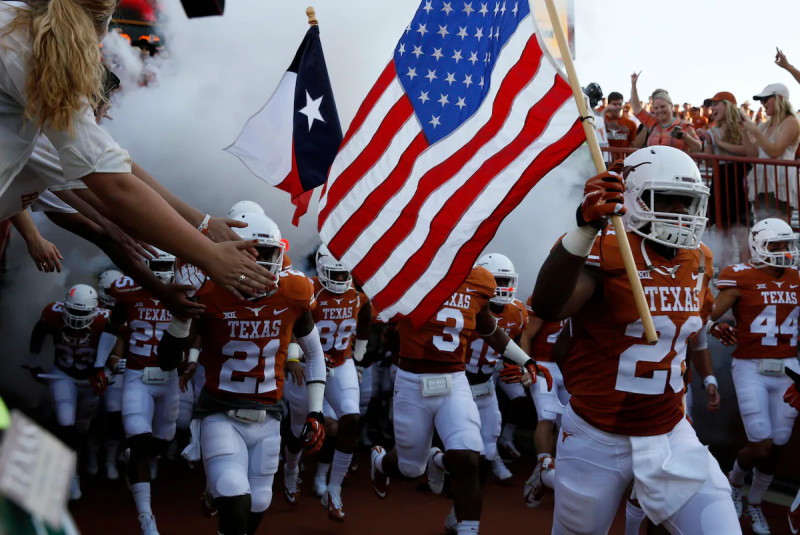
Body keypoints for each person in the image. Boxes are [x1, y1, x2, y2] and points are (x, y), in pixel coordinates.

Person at [531, 145, 740, 533]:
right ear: (633, 198)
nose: (680, 213)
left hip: (670, 431)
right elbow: (548, 306)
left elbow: (689, 327)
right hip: (596, 436)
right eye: (666, 200)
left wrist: (708, 361)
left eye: (688, 202)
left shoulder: (701, 259)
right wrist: (582, 228)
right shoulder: (604, 248)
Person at [0, 0, 271, 294]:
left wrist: (201, 223)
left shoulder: (14, 23)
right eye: (101, 112)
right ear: (95, 34)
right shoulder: (43, 59)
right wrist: (208, 254)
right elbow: (116, 188)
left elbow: (119, 170)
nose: (105, 118)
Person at [156, 212, 328, 535]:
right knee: (236, 501)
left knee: (258, 504)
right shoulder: (207, 289)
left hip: (269, 417)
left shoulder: (292, 291)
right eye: (252, 253)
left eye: (268, 254)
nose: (262, 263)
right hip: (221, 412)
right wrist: (183, 310)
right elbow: (167, 359)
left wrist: (316, 410)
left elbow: (314, 352)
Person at [369, 264, 552, 535]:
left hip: (455, 380)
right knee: (410, 468)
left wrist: (525, 360)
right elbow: (375, 315)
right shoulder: (412, 270)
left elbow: (489, 329)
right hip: (412, 381)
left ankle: (465, 527)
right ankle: (380, 462)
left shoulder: (478, 279)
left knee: (469, 458)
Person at [709, 218, 800, 535]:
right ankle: (734, 485)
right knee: (760, 443)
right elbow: (710, 314)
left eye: (786, 245)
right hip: (751, 366)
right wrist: (712, 326)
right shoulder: (739, 276)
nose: (783, 251)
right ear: (759, 244)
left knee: (780, 443)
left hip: (789, 365)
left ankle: (756, 502)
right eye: (776, 245)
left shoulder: (796, 277)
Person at [281, 244, 371, 522]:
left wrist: (358, 357)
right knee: (301, 429)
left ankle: (332, 487)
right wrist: (294, 357)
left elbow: (366, 319)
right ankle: (292, 471)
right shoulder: (308, 289)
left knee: (350, 419)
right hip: (310, 363)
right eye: (335, 274)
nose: (341, 281)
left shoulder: (358, 296)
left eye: (345, 275)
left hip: (341, 363)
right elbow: (293, 324)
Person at [101, 249, 182, 535]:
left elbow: (202, 329)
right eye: (157, 265)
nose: (162, 271)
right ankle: (146, 517)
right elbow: (111, 328)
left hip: (169, 377)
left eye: (167, 265)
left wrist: (194, 359)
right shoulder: (130, 291)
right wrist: (100, 365)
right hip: (137, 375)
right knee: (139, 438)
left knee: (161, 443)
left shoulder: (186, 291)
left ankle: (134, 457)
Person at [27, 284, 111, 501]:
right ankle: (71, 475)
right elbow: (39, 330)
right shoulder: (52, 313)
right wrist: (34, 361)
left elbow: (119, 340)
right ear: (64, 306)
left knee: (83, 426)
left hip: (89, 379)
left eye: (82, 313)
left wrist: (106, 369)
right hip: (63, 374)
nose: (76, 317)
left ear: (94, 310)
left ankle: (87, 451)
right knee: (66, 422)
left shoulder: (104, 320)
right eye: (73, 311)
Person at [463, 253, 528, 485]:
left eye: (505, 281)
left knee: (490, 438)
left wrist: (522, 366)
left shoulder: (517, 311)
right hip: (459, 379)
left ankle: (490, 463)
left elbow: (515, 343)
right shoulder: (467, 306)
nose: (502, 288)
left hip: (487, 379)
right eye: (496, 281)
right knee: (460, 435)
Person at [519, 299, 568, 508]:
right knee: (546, 415)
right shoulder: (547, 297)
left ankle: (559, 466)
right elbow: (527, 335)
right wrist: (527, 365)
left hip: (569, 367)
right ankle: (543, 465)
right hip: (543, 364)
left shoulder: (587, 296)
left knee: (571, 421)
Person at [741, 83, 800, 216]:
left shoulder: (790, 121)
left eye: (765, 99)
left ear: (779, 98)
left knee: (778, 228)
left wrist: (755, 131)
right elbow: (752, 154)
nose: (762, 103)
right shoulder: (765, 125)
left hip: (781, 182)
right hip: (762, 180)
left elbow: (774, 151)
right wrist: (744, 131)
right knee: (762, 228)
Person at [702, 91, 750, 229]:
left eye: (716, 104)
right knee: (722, 230)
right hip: (721, 180)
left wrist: (721, 144)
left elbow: (748, 152)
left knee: (743, 228)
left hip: (740, 179)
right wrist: (710, 142)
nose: (712, 109)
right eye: (712, 106)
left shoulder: (743, 126)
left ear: (728, 105)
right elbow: (710, 161)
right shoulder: (711, 131)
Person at [630, 72, 702, 153]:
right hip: (655, 165)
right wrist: (633, 85)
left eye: (663, 107)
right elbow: (637, 109)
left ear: (671, 106)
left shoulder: (684, 125)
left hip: (675, 165)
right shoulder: (652, 122)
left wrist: (686, 137)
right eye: (656, 108)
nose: (659, 110)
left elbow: (698, 148)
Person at [604, 91, 638, 157]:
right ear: (608, 104)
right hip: (604, 160)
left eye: (620, 104)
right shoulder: (602, 120)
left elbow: (635, 145)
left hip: (623, 162)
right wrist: (605, 110)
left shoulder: (630, 123)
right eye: (614, 104)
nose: (617, 107)